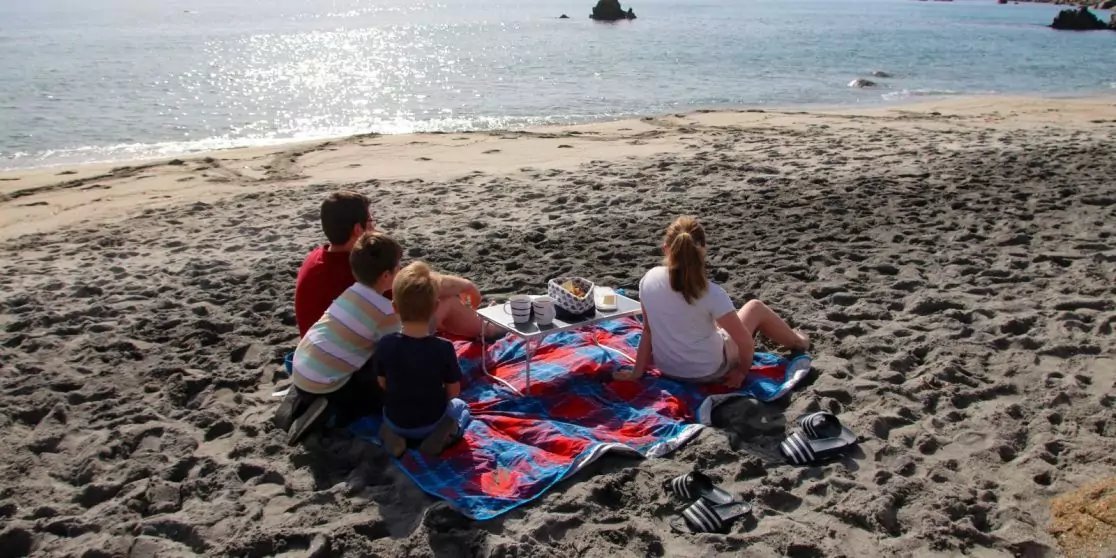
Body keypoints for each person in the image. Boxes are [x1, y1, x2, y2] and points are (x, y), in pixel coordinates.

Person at [614, 216, 809, 388]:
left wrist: (636, 373)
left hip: (668, 368)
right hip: (707, 371)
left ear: (666, 249)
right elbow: (745, 342)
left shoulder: (648, 279)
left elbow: (648, 330)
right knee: (754, 308)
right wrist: (741, 372)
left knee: (710, 320)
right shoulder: (711, 293)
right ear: (703, 250)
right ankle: (798, 341)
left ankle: (792, 339)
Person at [294, 190, 487, 339]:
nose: (374, 227)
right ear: (358, 229)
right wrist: (467, 285)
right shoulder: (360, 266)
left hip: (323, 353)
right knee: (446, 303)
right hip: (357, 365)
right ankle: (492, 331)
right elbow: (419, 287)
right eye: (370, 221)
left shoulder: (316, 257)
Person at [283, 231, 403, 445]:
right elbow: (397, 351)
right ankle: (333, 414)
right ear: (386, 276)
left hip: (302, 368)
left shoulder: (349, 293)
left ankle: (305, 398)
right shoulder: (385, 312)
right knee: (387, 381)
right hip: (330, 386)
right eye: (398, 267)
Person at [374, 261, 471, 457]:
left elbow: (382, 383)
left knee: (388, 410)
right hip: (431, 422)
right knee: (461, 407)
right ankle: (446, 432)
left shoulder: (385, 344)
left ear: (395, 307)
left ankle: (390, 433)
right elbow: (453, 391)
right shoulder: (443, 348)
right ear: (435, 306)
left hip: (396, 419)